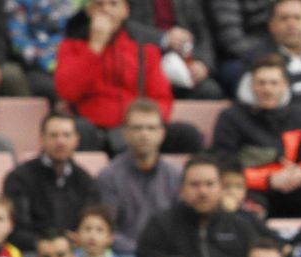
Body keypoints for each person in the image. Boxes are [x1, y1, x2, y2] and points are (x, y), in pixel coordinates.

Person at [54, 0, 203, 154]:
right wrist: (95, 47)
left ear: (125, 10)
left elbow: (162, 97)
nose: (106, 10)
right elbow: (68, 91)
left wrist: (145, 122)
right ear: (89, 11)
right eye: (99, 4)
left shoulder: (144, 47)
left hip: (137, 125)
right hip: (96, 128)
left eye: (113, 4)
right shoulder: (71, 45)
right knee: (78, 131)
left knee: (187, 135)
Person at [212, 56, 301, 218]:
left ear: (285, 86)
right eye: (261, 83)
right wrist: (267, 180)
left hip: (293, 185)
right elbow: (224, 164)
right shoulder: (231, 117)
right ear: (251, 85)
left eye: (274, 83)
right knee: (252, 212)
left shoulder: (300, 115)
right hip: (250, 187)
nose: (267, 89)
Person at [136, 156, 266, 257]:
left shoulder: (240, 226)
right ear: (182, 189)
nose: (203, 192)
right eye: (195, 185)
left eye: (209, 184)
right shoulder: (161, 225)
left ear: (221, 188)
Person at [96, 100, 183, 257]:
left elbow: (182, 225)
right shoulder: (108, 176)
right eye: (137, 128)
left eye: (151, 128)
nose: (144, 134)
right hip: (125, 254)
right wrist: (142, 250)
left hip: (167, 255)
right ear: (125, 133)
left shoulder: (176, 176)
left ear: (162, 133)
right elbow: (107, 229)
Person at [2, 115, 98, 254]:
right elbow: (17, 230)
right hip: (34, 251)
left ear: (76, 140)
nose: (60, 141)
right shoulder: (19, 178)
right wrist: (51, 244)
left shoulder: (85, 180)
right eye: (54, 135)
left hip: (75, 251)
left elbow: (93, 222)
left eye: (66, 135)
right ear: (42, 139)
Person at [241, 0, 301, 100]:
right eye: (284, 19)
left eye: (297, 18)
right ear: (271, 25)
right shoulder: (258, 58)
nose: (291, 24)